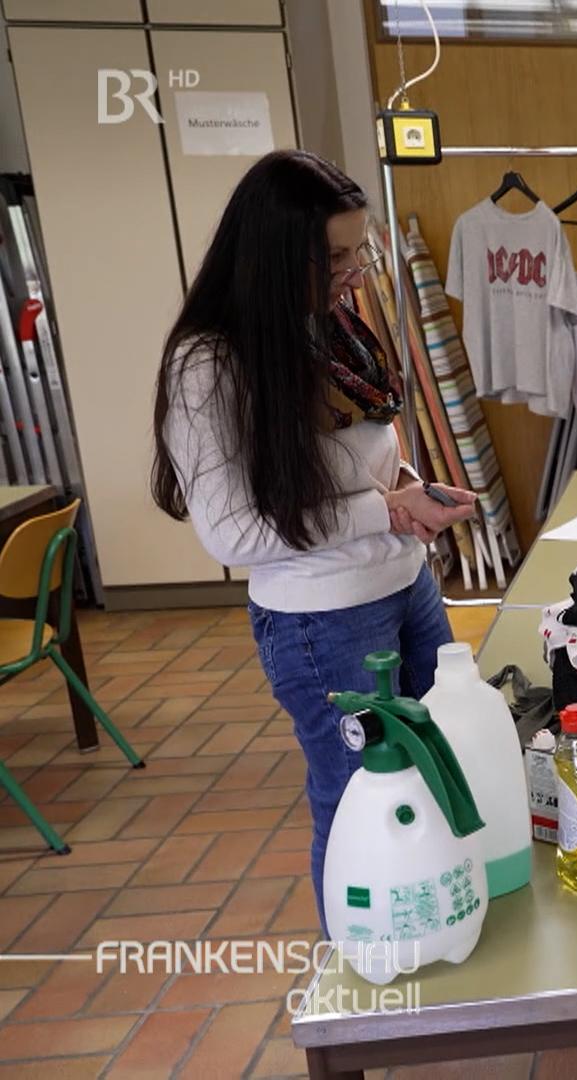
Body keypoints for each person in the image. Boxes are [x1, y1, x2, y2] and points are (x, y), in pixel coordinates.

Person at [151, 150, 477, 933]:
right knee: (361, 796)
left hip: (402, 587)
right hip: (322, 624)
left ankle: (438, 925)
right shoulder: (212, 366)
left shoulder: (326, 331)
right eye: (333, 257)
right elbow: (231, 530)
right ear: (272, 255)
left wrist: (409, 494)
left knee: (444, 769)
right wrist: (388, 513)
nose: (352, 271)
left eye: (356, 250)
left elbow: (358, 461)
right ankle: (358, 979)